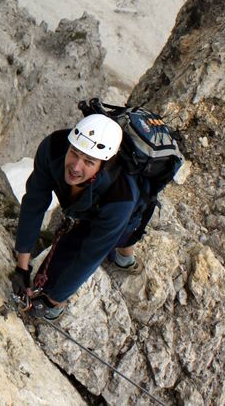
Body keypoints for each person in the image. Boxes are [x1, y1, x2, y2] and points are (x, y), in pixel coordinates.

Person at [9, 114, 140, 320]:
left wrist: (52, 300)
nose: (76, 166)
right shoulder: (53, 148)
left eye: (88, 161)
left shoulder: (121, 197)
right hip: (87, 203)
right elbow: (34, 204)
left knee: (125, 235)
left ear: (103, 166)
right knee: (50, 277)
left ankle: (125, 257)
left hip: (124, 211)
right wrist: (22, 267)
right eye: (74, 153)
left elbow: (91, 255)